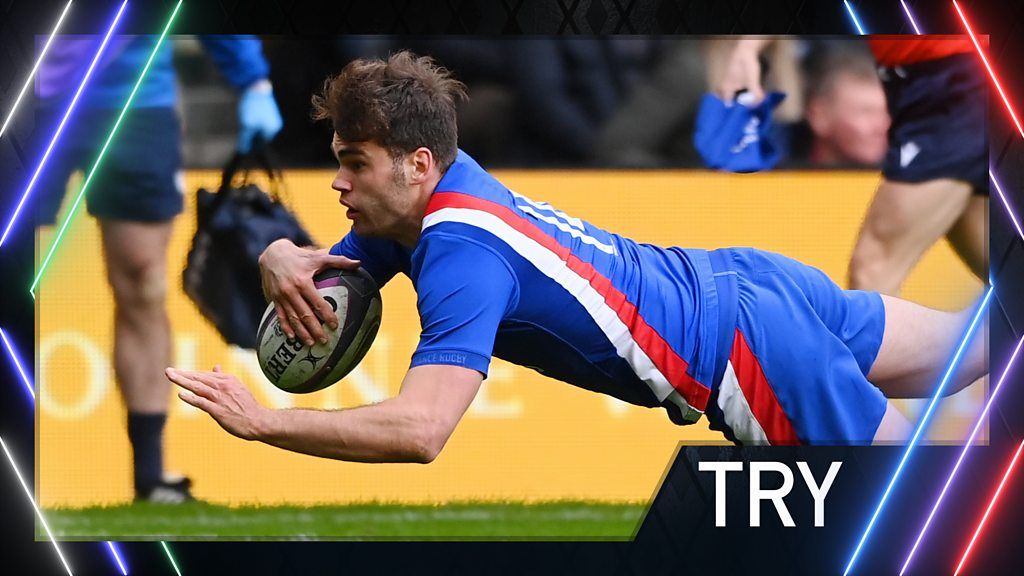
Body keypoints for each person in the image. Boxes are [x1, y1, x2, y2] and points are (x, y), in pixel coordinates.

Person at [167, 52, 987, 457]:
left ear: (417, 164)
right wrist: (278, 249)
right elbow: (339, 262)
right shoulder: (442, 185)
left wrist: (263, 422)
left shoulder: (461, 255)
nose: (339, 184)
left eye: (354, 164)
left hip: (746, 350)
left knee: (915, 525)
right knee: (980, 339)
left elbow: (422, 430)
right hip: (748, 280)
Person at [36, 35, 282, 502]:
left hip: (134, 99)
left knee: (144, 282)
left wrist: (252, 81)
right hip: (26, 94)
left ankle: (151, 479)